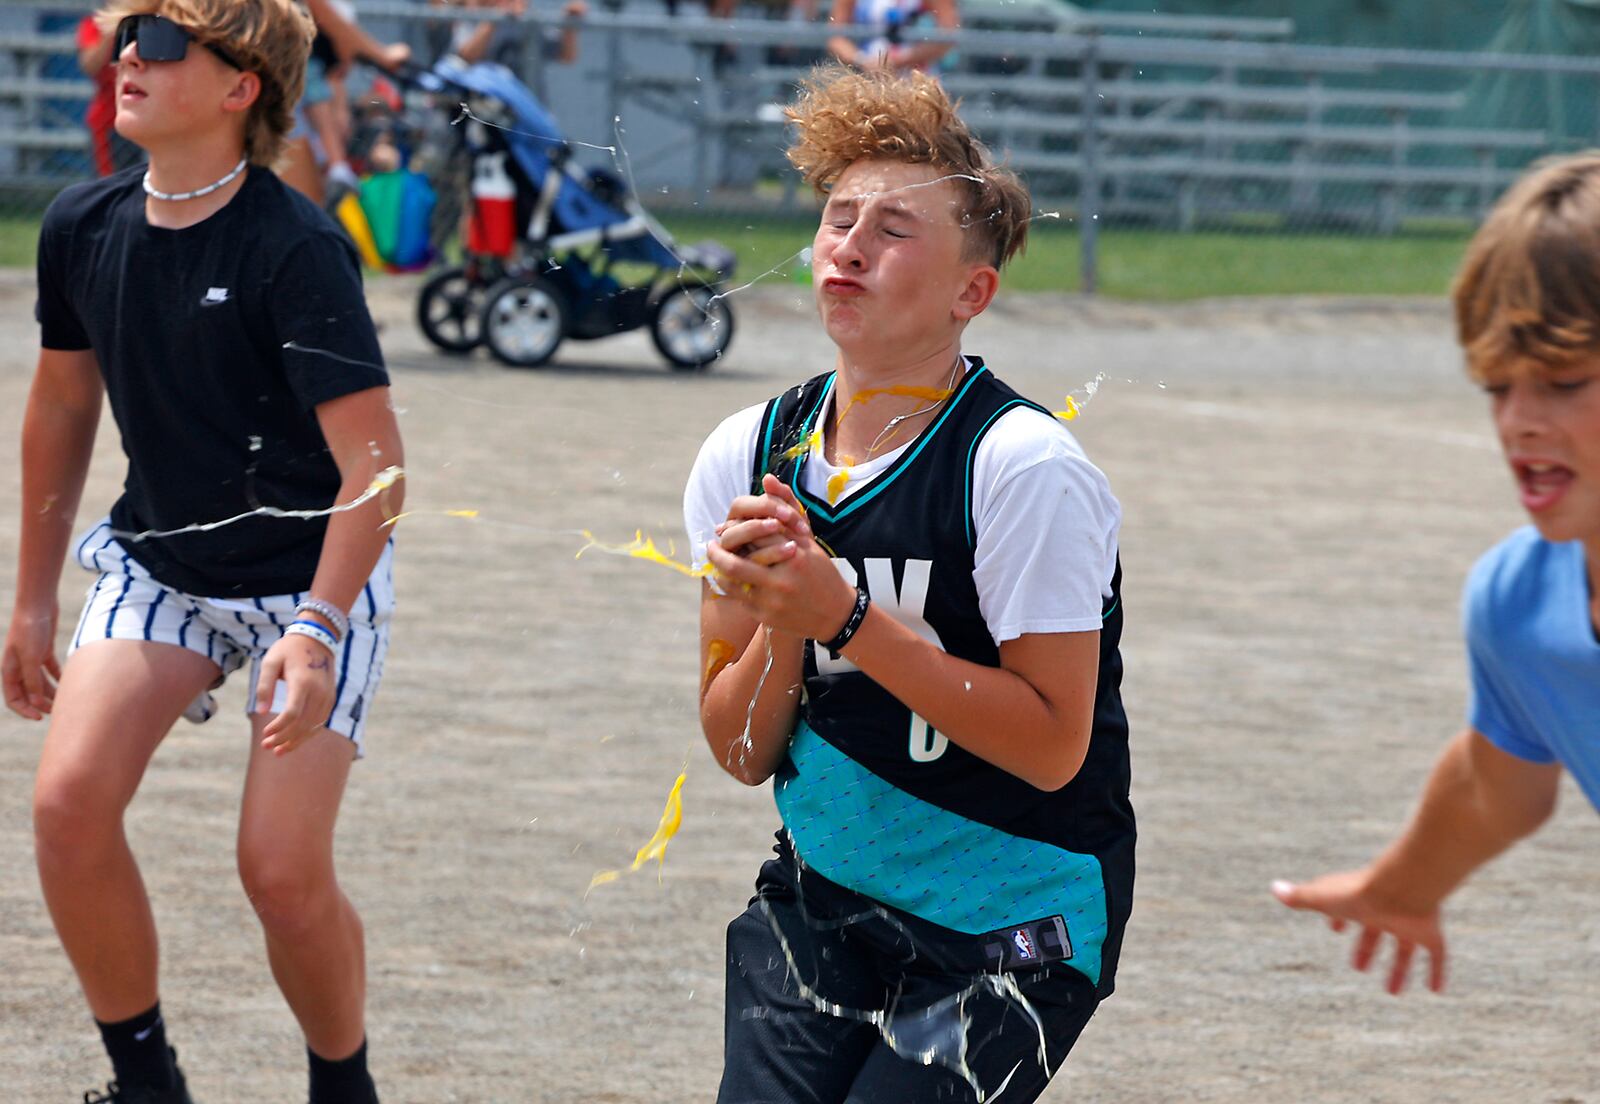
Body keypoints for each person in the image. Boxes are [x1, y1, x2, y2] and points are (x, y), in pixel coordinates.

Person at [684, 65, 1133, 1103]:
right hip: (822, 907)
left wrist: (843, 615)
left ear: (971, 292)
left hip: (1013, 925)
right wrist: (783, 626)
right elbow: (742, 752)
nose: (848, 243)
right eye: (839, 217)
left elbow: (1053, 746)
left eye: (892, 228)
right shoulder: (746, 452)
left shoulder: (1023, 469)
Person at [6, 2, 405, 1101]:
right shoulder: (81, 224)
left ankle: (343, 1084)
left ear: (241, 90)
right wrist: (33, 600)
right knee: (65, 808)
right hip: (163, 565)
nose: (129, 53)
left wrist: (320, 629)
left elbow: (377, 472)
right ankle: (146, 1084)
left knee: (277, 873)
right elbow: (59, 411)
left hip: (314, 580)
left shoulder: (296, 245)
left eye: (168, 41)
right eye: (131, 31)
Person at [1273, 152, 1600, 996]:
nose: (1520, 422)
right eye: (1497, 385)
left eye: (1564, 383)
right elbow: (1499, 786)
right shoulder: (1522, 605)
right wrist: (1398, 890)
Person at [427, 0, 587, 70]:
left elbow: (566, 55)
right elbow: (464, 58)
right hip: (481, 114)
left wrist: (569, 26)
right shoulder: (469, 15)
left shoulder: (525, 19)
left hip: (525, 113)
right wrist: (496, 18)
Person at [77, 12, 143, 176]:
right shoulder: (95, 24)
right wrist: (113, 29)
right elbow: (90, 65)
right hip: (109, 119)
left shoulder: (147, 21)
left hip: (147, 113)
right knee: (112, 180)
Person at [827, 0, 957, 75]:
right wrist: (862, 60)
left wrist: (898, 61)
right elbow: (835, 37)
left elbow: (948, 35)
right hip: (867, 79)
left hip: (915, 79)